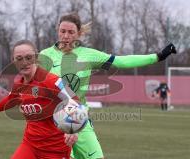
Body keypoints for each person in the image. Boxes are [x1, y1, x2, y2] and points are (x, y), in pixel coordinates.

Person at [38, 13, 177, 159]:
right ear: (58, 31)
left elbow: (120, 62)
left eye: (71, 32)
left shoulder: (88, 55)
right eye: (62, 31)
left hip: (79, 120)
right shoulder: (45, 56)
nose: (66, 36)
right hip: (53, 124)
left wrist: (157, 56)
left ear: (79, 34)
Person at [0, 40, 79, 159]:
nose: (24, 62)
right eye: (19, 58)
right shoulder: (19, 85)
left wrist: (74, 129)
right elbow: (10, 99)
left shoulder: (52, 80)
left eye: (29, 57)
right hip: (30, 145)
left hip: (55, 149)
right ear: (14, 61)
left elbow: (75, 100)